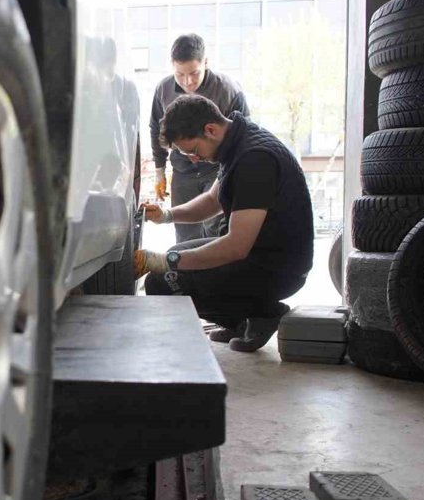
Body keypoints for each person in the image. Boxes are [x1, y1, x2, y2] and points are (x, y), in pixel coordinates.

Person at [134, 95, 314, 352]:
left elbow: (235, 247)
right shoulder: (237, 143)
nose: (194, 159)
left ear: (211, 129)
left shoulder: (255, 158)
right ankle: (238, 322)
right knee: (175, 258)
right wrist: (166, 215)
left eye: (194, 151)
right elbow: (211, 201)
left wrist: (166, 261)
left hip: (276, 268)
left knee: (160, 281)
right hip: (260, 253)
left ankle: (264, 312)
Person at [149, 33, 249, 243]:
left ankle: (211, 273)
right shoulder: (163, 90)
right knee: (184, 232)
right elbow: (156, 129)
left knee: (215, 227)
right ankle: (185, 272)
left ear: (206, 62)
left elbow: (243, 135)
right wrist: (160, 170)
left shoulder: (228, 90)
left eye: (194, 73)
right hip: (183, 171)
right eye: (180, 74)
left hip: (217, 168)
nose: (188, 81)